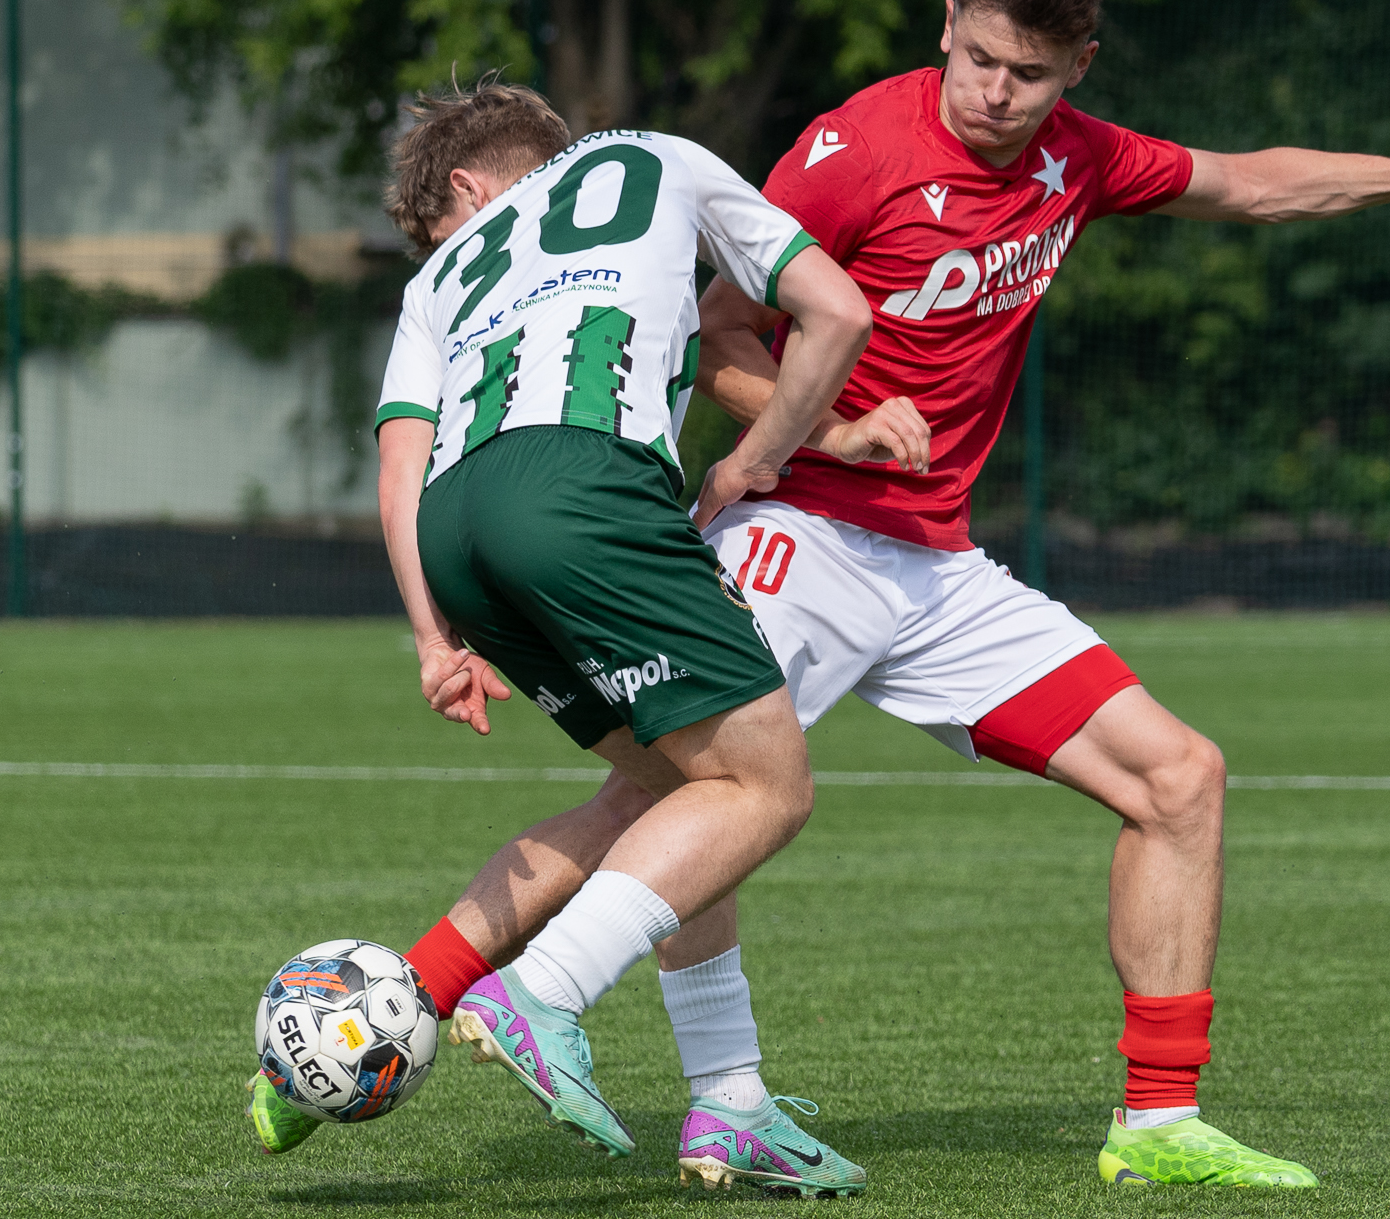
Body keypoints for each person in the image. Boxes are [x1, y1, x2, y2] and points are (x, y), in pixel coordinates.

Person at [311, 0, 1390, 1190]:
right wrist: (818, 432)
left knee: (1178, 779)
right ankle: (402, 1015)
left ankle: (1159, 1123)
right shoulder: (854, 152)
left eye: (1029, 74)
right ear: (947, 27)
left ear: (1077, 67)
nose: (996, 93)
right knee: (674, 793)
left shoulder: (1076, 156)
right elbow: (718, 337)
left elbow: (1246, 183)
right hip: (800, 534)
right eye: (978, 60)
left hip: (935, 567)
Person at [246, 79, 910, 1197]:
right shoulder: (659, 155)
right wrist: (756, 460)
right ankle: (541, 990)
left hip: (458, 528)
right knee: (767, 786)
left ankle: (731, 1100)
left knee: (675, 792)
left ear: (469, 189)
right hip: (586, 492)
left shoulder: (439, 278)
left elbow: (399, 464)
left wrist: (431, 639)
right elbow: (838, 314)